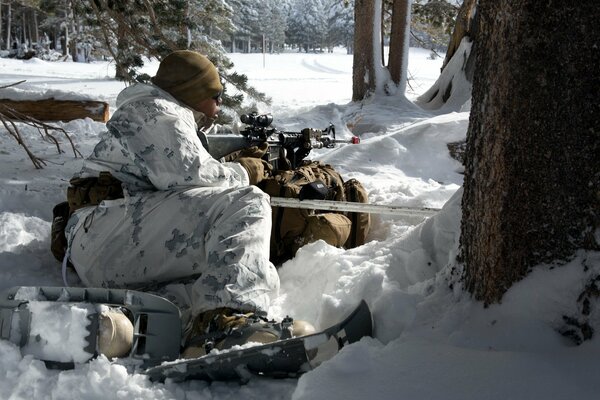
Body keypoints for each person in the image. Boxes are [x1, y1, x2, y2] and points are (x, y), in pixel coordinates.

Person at [64, 50, 312, 358]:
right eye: (215, 94)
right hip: (103, 235)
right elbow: (192, 178)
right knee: (247, 203)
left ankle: (138, 329)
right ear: (192, 91)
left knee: (241, 271)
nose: (219, 104)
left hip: (110, 244)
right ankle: (226, 325)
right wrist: (246, 170)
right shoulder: (154, 111)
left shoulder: (161, 113)